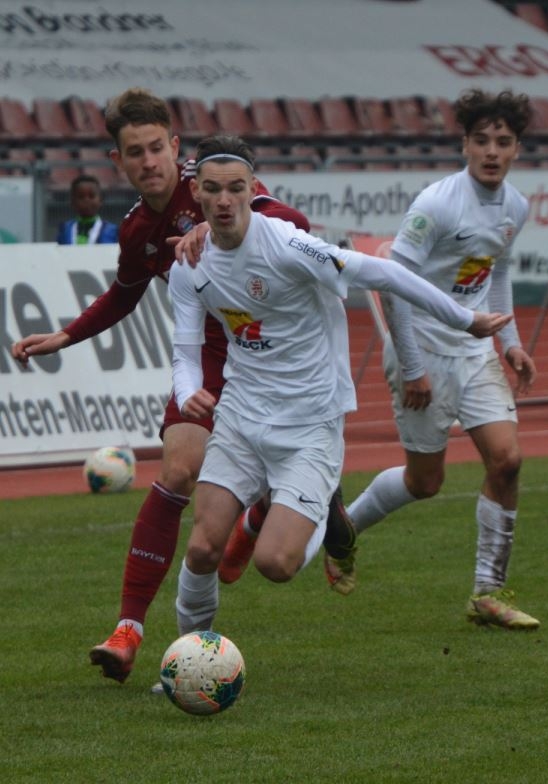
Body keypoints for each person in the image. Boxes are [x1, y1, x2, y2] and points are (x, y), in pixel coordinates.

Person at [9, 87, 353, 685]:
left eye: (155, 148)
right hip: (205, 362)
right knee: (176, 473)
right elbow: (125, 290)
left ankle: (279, 507)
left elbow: (291, 222)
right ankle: (129, 631)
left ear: (174, 148)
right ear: (118, 162)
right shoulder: (139, 228)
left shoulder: (212, 184)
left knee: (264, 528)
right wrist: (65, 336)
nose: (148, 162)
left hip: (267, 356)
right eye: (133, 153)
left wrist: (229, 228)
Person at [168, 135, 509, 635]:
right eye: (212, 189)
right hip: (241, 418)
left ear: (251, 188)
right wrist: (187, 392)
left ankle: (328, 517)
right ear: (196, 192)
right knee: (201, 547)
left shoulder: (288, 245)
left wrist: (465, 320)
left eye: (235, 188)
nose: (224, 200)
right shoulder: (190, 266)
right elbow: (185, 350)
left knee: (276, 565)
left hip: (310, 422)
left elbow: (385, 273)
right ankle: (188, 658)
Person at [325, 88, 539, 630]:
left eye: (504, 142)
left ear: (517, 149)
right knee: (426, 483)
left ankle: (488, 593)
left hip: (474, 349)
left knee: (507, 461)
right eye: (482, 141)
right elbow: (393, 286)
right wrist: (413, 364)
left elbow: (498, 273)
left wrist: (510, 341)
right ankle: (343, 530)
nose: (492, 151)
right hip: (422, 349)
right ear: (465, 144)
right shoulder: (437, 204)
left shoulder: (516, 205)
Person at [56, 174, 119, 245]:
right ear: (72, 202)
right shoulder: (65, 229)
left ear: (100, 200)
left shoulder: (112, 230)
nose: (86, 200)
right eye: (81, 197)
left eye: (91, 196)